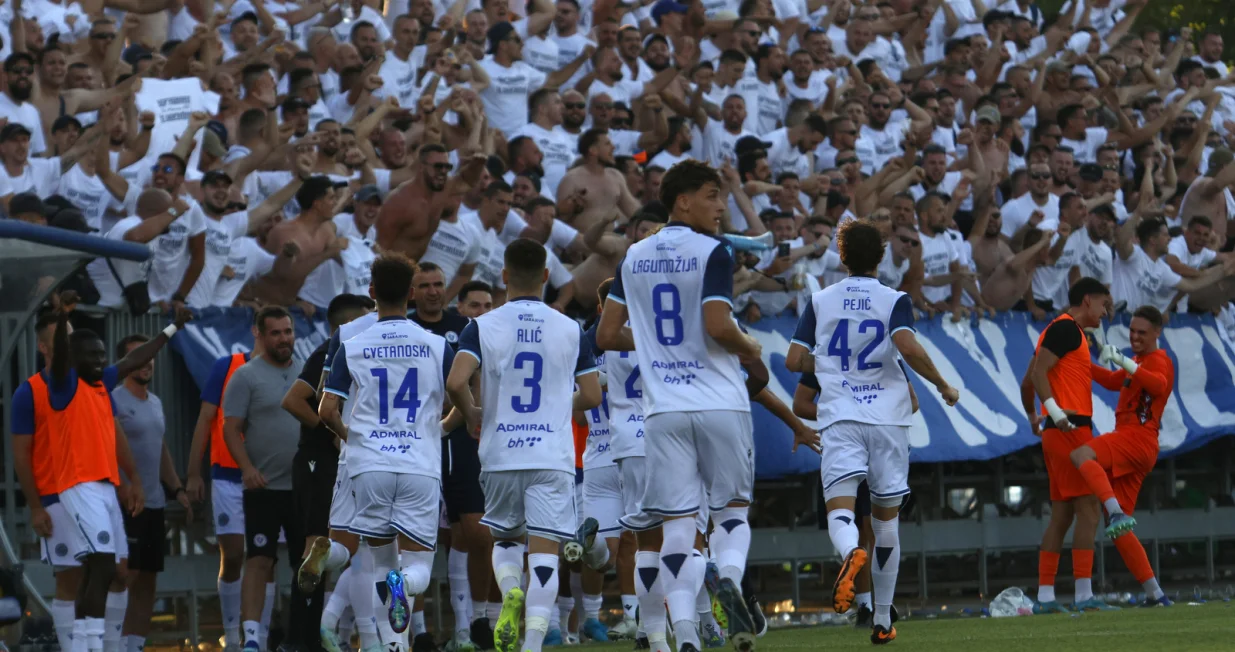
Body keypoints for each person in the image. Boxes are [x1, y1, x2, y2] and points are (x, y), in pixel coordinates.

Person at [596, 160, 762, 652]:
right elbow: (717, 325)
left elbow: (607, 335)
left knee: (676, 530)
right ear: (682, 201)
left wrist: (650, 344)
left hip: (662, 412)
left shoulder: (633, 256)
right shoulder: (715, 251)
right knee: (731, 514)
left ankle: (685, 635)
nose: (721, 206)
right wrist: (751, 347)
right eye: (713, 196)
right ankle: (727, 576)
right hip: (719, 402)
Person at [786, 219, 959, 645]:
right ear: (881, 257)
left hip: (841, 417)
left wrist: (830, 365)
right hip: (887, 420)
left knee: (841, 509)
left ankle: (849, 554)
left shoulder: (821, 299)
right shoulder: (894, 299)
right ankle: (882, 620)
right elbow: (907, 346)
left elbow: (793, 361)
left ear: (841, 257)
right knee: (885, 524)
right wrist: (941, 383)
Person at [445, 239, 603, 652]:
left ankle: (511, 588)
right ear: (548, 277)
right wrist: (557, 404)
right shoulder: (570, 328)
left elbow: (455, 382)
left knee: (507, 542)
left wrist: (473, 412)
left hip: (500, 454)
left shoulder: (481, 325)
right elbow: (592, 396)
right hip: (551, 456)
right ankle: (532, 644)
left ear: (505, 276)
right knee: (547, 552)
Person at [10, 295, 186, 652]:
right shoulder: (34, 391)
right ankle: (80, 646)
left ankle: (109, 646)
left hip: (103, 487)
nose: (83, 346)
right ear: (52, 347)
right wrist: (35, 507)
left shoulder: (98, 383)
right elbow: (21, 454)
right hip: (58, 495)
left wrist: (131, 479)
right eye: (67, 336)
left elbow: (113, 429)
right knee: (75, 577)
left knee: (118, 573)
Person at [317, 253, 455, 645]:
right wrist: (441, 429)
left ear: (372, 292)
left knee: (379, 562)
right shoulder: (435, 344)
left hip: (369, 465)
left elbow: (326, 410)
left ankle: (390, 645)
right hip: (419, 465)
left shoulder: (352, 345)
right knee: (417, 570)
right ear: (412, 294)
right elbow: (461, 401)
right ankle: (404, 592)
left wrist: (353, 437)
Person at [281, 294, 376, 652]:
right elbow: (293, 399)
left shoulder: (354, 351)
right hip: (318, 462)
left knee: (348, 548)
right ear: (346, 324)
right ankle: (302, 640)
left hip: (339, 464)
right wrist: (333, 434)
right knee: (321, 544)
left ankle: (321, 630)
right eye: (366, 317)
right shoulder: (329, 351)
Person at [1070, 305, 1174, 607]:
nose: (1135, 336)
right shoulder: (1140, 361)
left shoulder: (1158, 360)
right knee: (1119, 531)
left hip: (1136, 438)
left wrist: (1124, 360)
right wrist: (1081, 364)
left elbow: (1158, 385)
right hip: (1139, 445)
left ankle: (1114, 508)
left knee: (1081, 456)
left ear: (1157, 333)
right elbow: (1114, 381)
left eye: (1142, 332)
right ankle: (1157, 594)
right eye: (1132, 331)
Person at [1020, 277, 1113, 614]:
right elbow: (1039, 374)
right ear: (1087, 300)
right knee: (1088, 510)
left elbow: (1028, 379)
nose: (1105, 311)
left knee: (1061, 516)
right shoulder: (1067, 330)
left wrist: (1036, 417)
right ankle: (1083, 594)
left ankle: (1045, 597)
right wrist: (1057, 414)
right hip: (1071, 430)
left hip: (1056, 431)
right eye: (1103, 303)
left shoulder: (1057, 331)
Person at [221, 306, 307, 652]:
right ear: (259, 335)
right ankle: (253, 638)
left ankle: (303, 636)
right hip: (264, 488)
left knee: (306, 564)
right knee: (258, 560)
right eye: (276, 333)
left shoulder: (306, 372)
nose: (284, 339)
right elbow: (231, 428)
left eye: (287, 331)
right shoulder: (246, 376)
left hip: (302, 487)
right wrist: (246, 468)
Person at [111, 335, 193, 652]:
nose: (146, 362)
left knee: (148, 579)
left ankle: (135, 645)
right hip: (126, 503)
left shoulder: (156, 402)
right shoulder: (114, 399)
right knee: (124, 576)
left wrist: (177, 488)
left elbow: (161, 450)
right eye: (138, 357)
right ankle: (113, 643)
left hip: (155, 503)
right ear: (124, 363)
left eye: (150, 357)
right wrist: (123, 489)